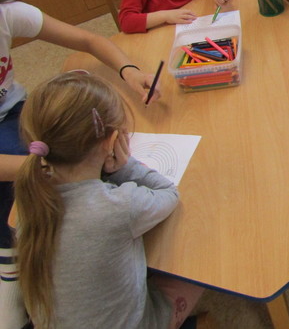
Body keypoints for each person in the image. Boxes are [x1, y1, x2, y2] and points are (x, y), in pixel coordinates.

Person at [0, 0, 158, 328]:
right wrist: (52, 165)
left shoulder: (7, 13)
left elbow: (88, 39)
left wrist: (129, 71)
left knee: (70, 119)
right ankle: (9, 263)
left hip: (13, 110)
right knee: (19, 201)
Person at [14, 72, 204, 328]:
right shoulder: (119, 206)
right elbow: (168, 195)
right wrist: (125, 167)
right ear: (113, 141)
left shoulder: (30, 198)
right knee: (197, 266)